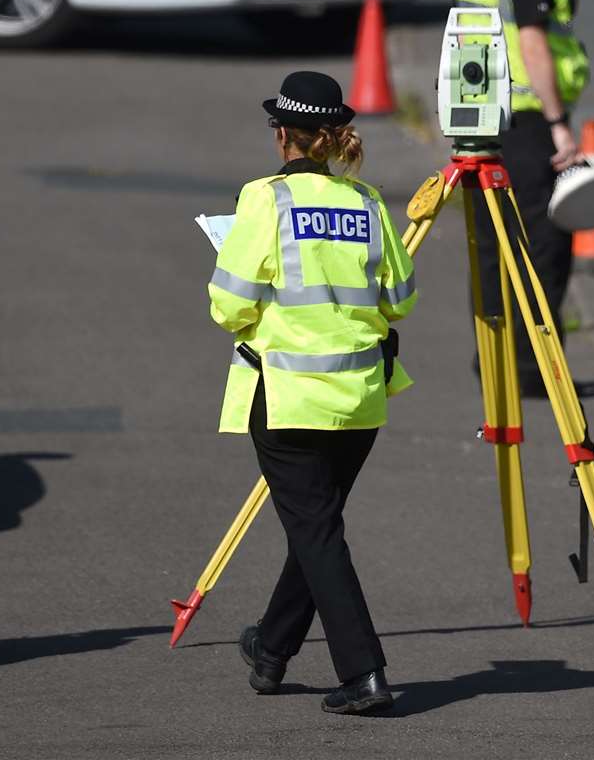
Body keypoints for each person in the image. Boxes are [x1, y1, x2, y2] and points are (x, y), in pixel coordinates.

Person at [208, 71, 418, 716]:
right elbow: (400, 301)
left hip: (290, 395)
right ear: (331, 138)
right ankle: (270, 650)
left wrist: (265, 317)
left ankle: (364, 673)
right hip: (359, 399)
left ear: (282, 137)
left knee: (318, 531)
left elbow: (228, 304)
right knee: (317, 526)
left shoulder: (263, 200)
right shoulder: (369, 202)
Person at [453, 0, 590, 398]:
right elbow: (533, 46)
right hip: (528, 120)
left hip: (479, 117)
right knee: (543, 241)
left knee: (489, 242)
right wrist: (560, 126)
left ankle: (493, 357)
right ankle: (533, 367)